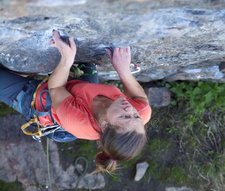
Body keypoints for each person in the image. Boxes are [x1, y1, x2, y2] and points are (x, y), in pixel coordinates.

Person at [0, 30, 151, 173]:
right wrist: (123, 71)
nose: (130, 110)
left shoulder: (77, 120)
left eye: (124, 117)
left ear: (104, 126)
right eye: (136, 116)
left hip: (40, 100)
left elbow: (56, 88)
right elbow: (141, 100)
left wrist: (66, 60)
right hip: (78, 92)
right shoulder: (139, 114)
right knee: (88, 65)